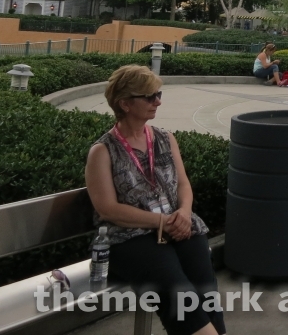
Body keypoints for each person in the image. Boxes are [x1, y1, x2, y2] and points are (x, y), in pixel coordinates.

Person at [85, 66, 224, 335]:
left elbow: (183, 184)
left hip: (178, 224)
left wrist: (183, 212)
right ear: (125, 104)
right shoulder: (102, 151)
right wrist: (163, 221)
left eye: (158, 94)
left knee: (205, 287)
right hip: (130, 237)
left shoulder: (165, 138)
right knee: (176, 289)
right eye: (149, 97)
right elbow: (108, 209)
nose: (157, 101)